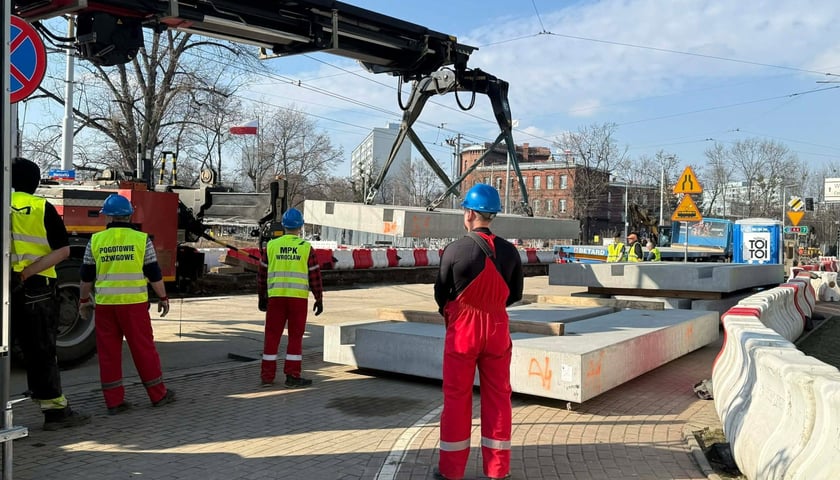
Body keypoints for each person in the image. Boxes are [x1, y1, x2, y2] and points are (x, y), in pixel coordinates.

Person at [433, 183, 523, 480]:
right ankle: (498, 471)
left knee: (457, 399)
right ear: (492, 214)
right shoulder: (510, 252)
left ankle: (451, 471)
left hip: (463, 332)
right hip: (497, 328)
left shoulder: (454, 250)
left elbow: (440, 293)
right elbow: (515, 294)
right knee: (499, 399)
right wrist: (492, 305)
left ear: (469, 212)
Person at [10, 157, 91, 431]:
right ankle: (55, 411)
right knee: (40, 350)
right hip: (36, 289)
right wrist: (26, 272)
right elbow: (64, 251)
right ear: (34, 183)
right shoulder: (40, 207)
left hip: (4, 287)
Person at [79, 194, 176, 414]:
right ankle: (158, 394)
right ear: (129, 215)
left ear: (108, 217)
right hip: (134, 305)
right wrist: (163, 297)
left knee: (109, 353)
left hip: (105, 306)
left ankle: (114, 402)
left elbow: (86, 278)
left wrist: (84, 301)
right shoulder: (142, 240)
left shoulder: (95, 241)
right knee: (144, 349)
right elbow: (154, 274)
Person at [257, 207, 324, 388]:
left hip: (276, 298)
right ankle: (292, 376)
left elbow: (262, 274)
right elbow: (314, 275)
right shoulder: (305, 248)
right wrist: (319, 298)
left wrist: (262, 296)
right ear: (300, 227)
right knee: (295, 337)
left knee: (271, 336)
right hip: (297, 300)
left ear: (284, 226)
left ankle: (267, 376)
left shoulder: (271, 246)